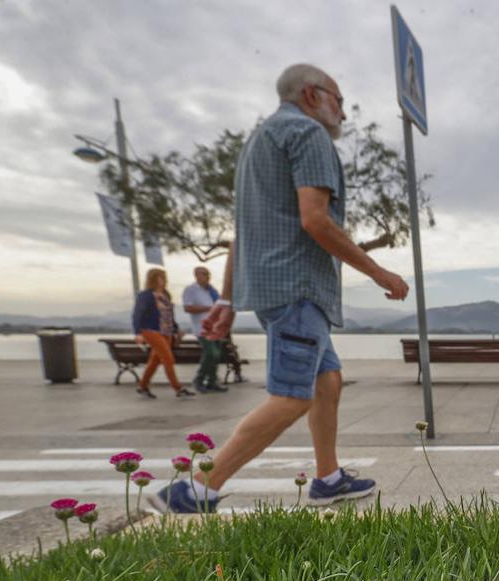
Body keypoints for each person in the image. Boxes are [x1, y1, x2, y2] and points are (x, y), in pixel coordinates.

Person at [151, 63, 409, 514]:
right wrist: (378, 272)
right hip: (297, 286)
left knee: (327, 379)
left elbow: (243, 231)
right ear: (313, 95)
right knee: (292, 395)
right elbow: (315, 220)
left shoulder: (260, 141)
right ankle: (195, 489)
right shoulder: (307, 135)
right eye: (339, 100)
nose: (343, 114)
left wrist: (228, 299)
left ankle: (328, 478)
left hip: (273, 286)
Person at [132, 268, 194, 399]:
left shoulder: (166, 295)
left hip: (167, 331)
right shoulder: (146, 295)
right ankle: (178, 388)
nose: (163, 280)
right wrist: (138, 332)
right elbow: (137, 314)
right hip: (151, 330)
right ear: (153, 279)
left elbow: (169, 315)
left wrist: (177, 329)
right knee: (168, 359)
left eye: (164, 277)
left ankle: (143, 386)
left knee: (155, 360)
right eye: (160, 277)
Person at [182, 266, 227, 393]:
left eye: (207, 274)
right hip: (202, 328)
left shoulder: (211, 291)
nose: (206, 276)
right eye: (202, 274)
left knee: (216, 356)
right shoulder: (191, 290)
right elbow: (187, 308)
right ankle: (199, 380)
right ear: (196, 275)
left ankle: (212, 382)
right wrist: (208, 309)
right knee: (212, 353)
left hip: (216, 326)